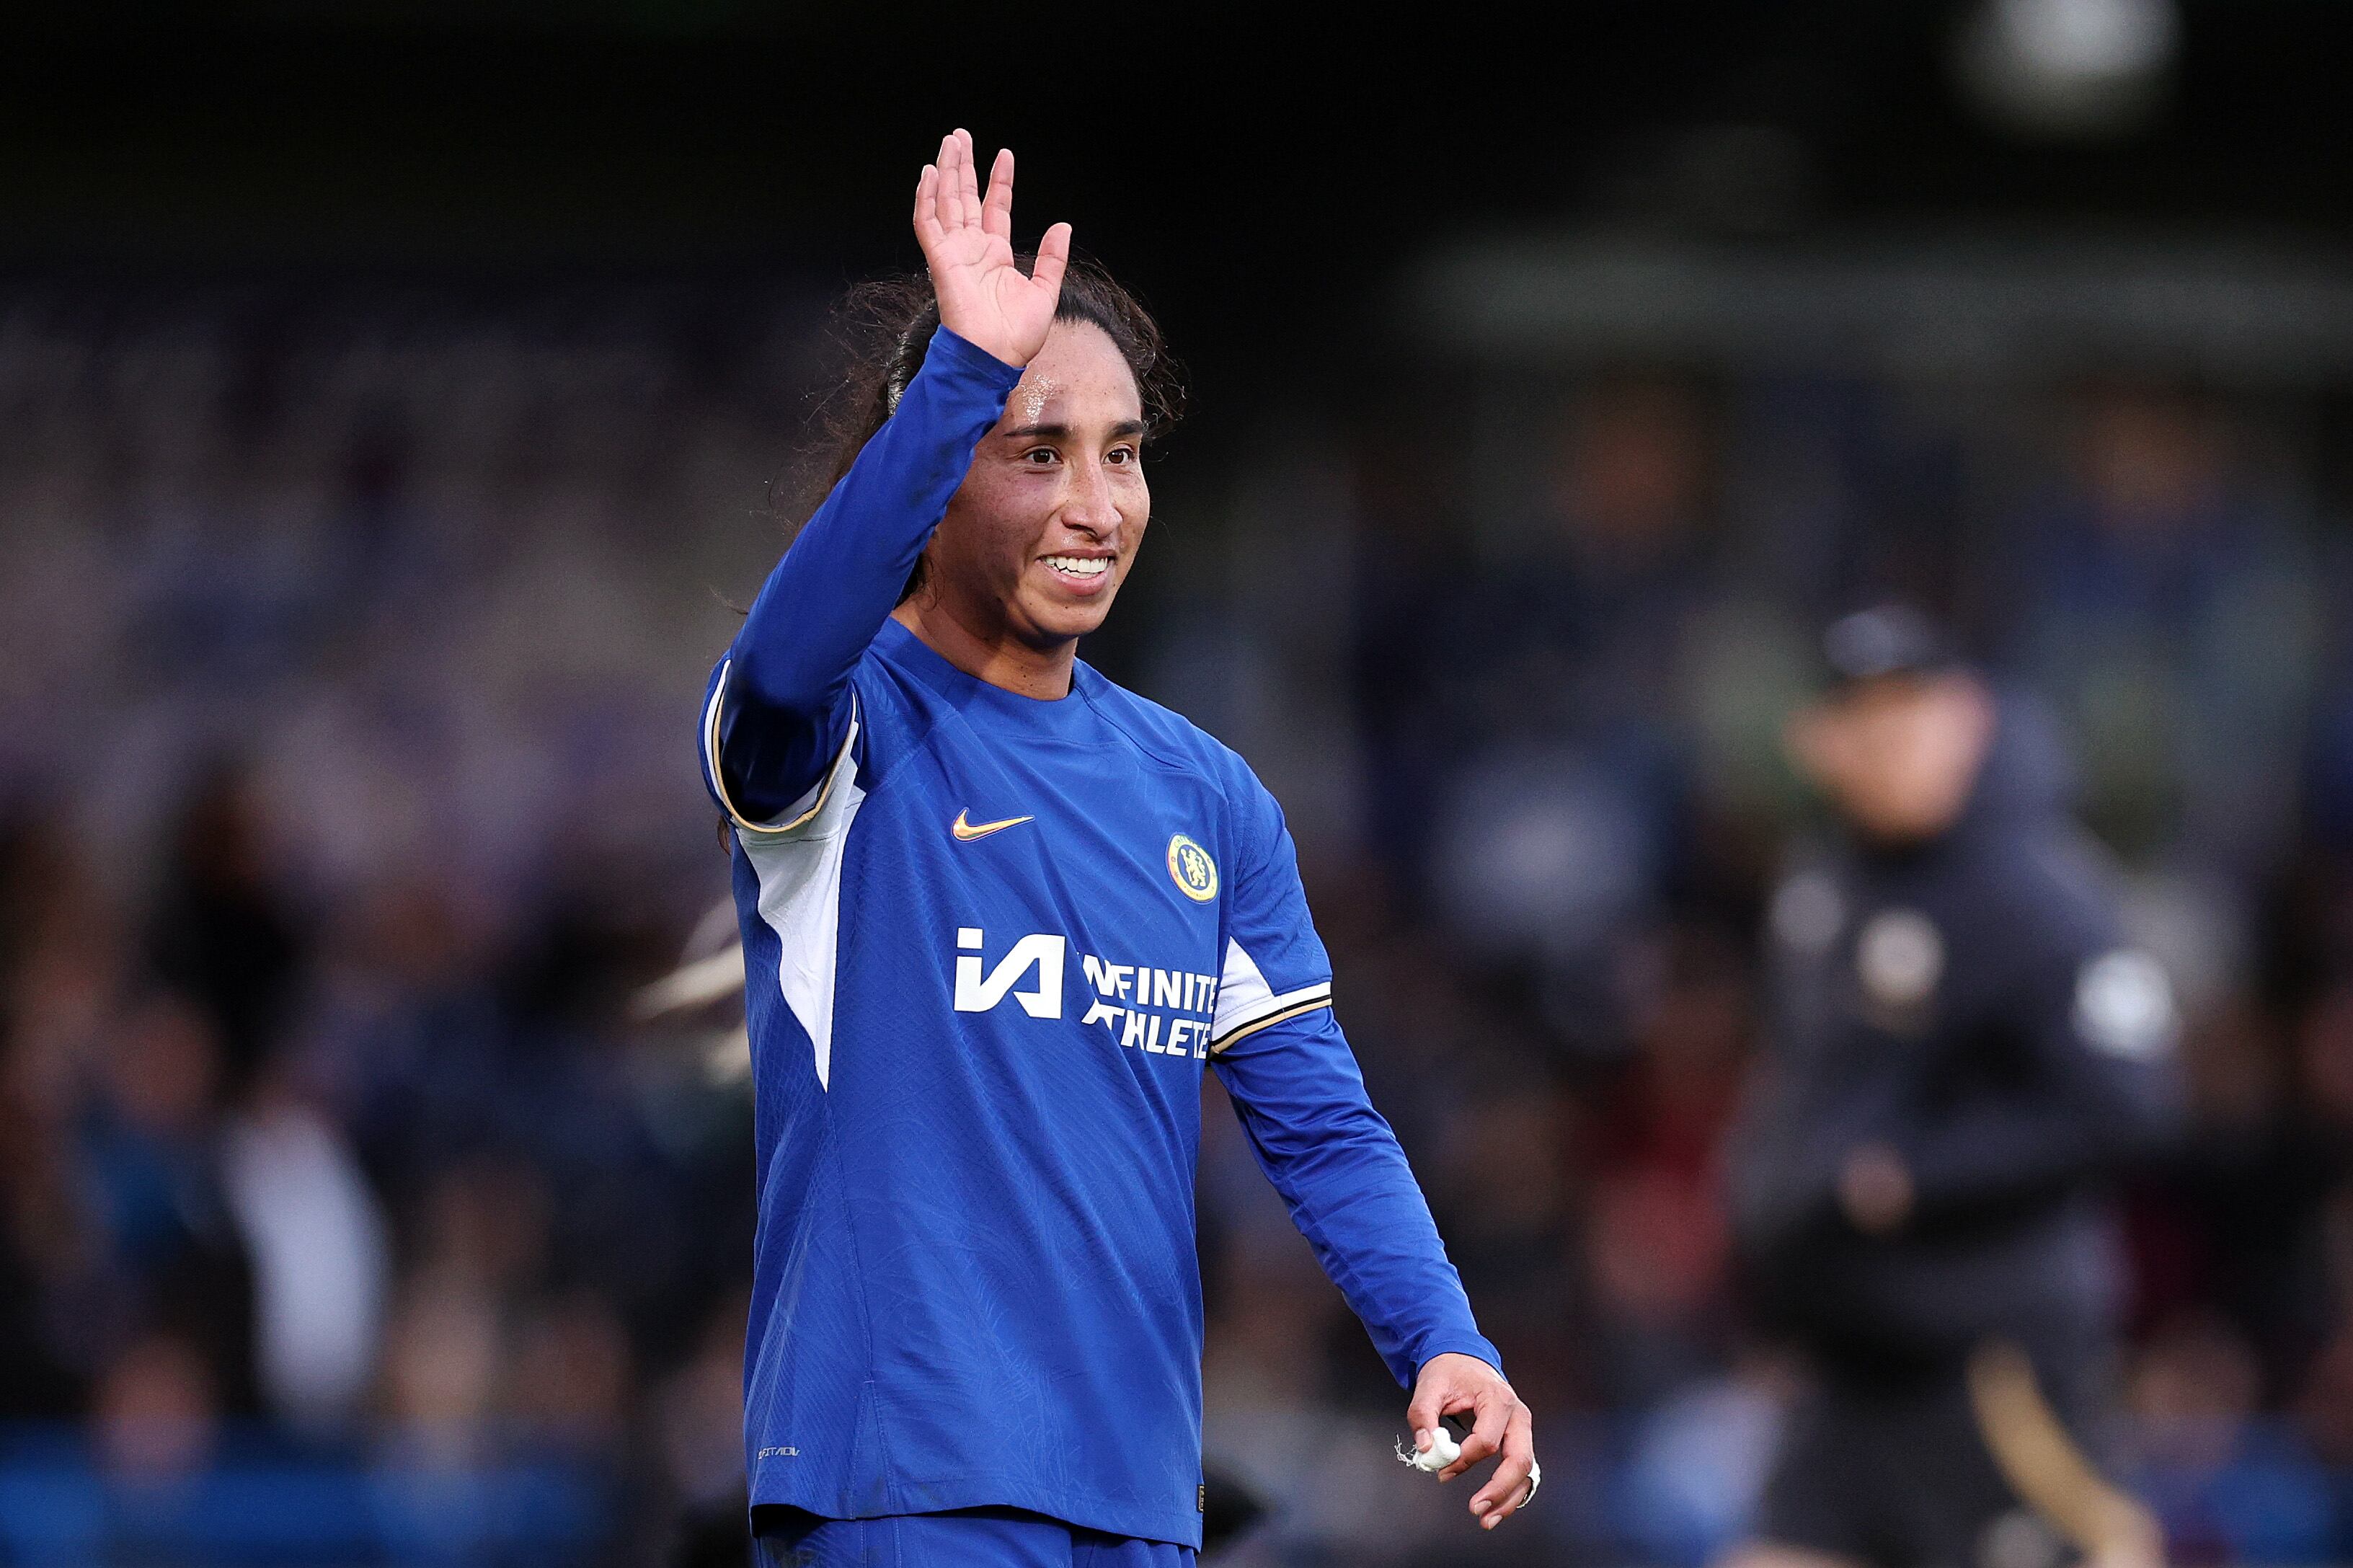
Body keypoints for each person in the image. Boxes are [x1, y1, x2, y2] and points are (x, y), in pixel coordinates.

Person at [699, 130, 1533, 1567]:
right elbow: (778, 670)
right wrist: (963, 370)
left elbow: (1321, 1122)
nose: (1098, 504)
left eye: (1125, 454)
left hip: (1138, 1500)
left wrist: (1440, 1333)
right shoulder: (844, 738)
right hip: (901, 1482)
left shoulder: (1205, 797)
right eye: (1039, 454)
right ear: (935, 476)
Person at [1724, 606, 2182, 1568]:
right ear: (1816, 743)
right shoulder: (1825, 888)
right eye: (1862, 719)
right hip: (1848, 1372)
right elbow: (1810, 1093)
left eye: (1912, 711)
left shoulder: (2041, 892)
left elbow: (2132, 1102)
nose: (1889, 742)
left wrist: (1916, 1178)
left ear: (1970, 717)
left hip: (1992, 1366)